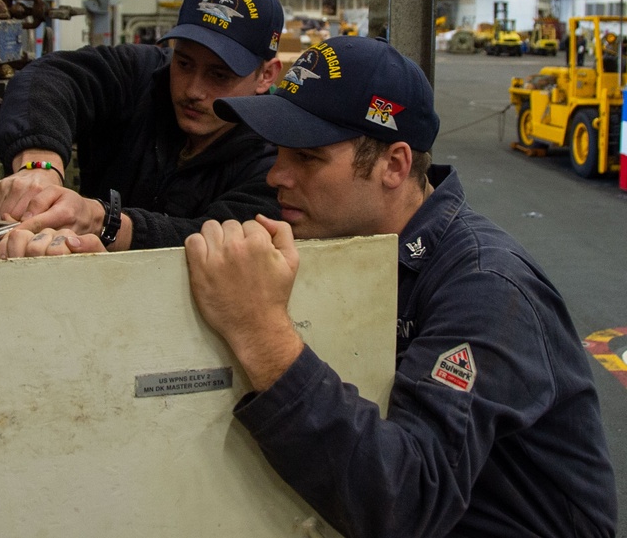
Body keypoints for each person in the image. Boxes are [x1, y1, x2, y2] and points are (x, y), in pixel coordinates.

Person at [183, 35, 618, 537]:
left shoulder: (487, 287)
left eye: (307, 157)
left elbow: (408, 501)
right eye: (277, 152)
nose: (277, 175)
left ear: (394, 165)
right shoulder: (356, 240)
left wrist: (260, 331)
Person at [0, 0, 285, 258]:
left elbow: (220, 240)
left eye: (219, 75)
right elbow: (49, 77)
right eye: (184, 64)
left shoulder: (276, 160)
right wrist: (39, 166)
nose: (193, 90)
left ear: (266, 75)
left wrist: (103, 223)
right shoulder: (142, 74)